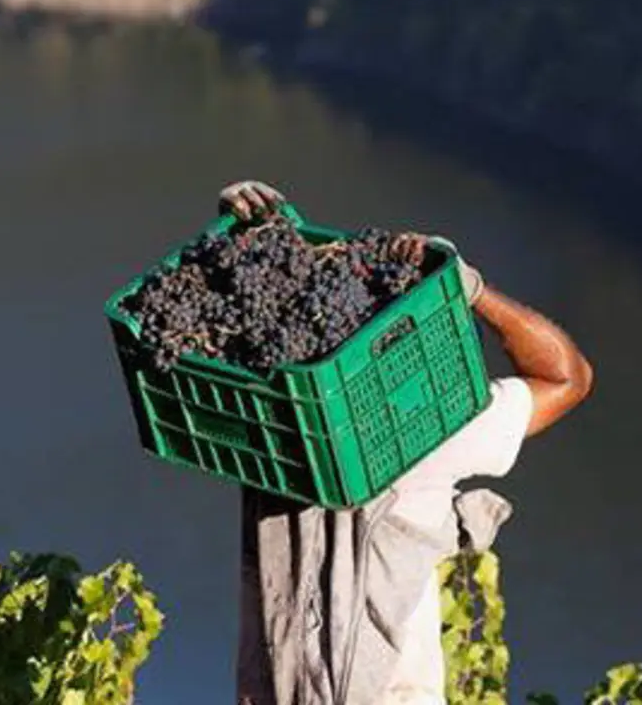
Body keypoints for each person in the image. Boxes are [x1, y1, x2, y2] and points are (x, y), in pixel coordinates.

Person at [218, 180, 595, 705]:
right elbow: (567, 377)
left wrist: (246, 238)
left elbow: (208, 333)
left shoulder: (269, 420)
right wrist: (476, 292)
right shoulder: (432, 432)